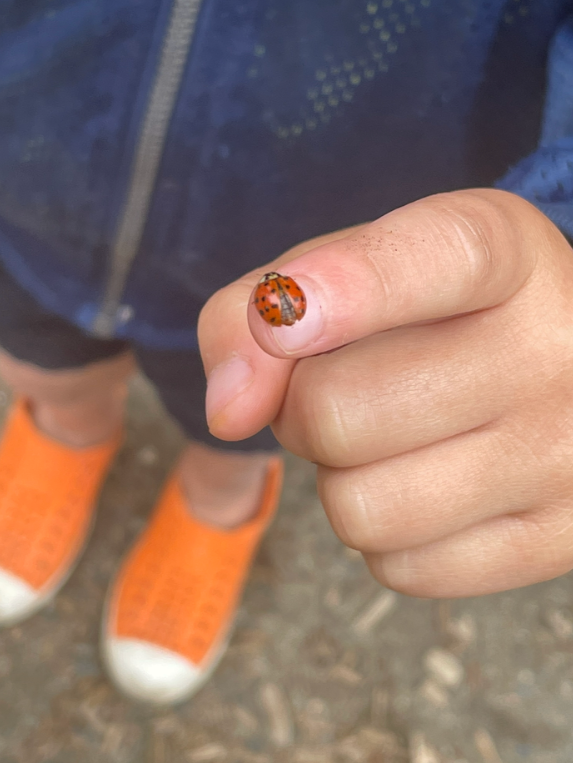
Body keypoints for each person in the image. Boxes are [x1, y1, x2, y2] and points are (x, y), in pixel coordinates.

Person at [0, 0, 571, 706]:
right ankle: (65, 430)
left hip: (321, 212)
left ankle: (219, 503)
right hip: (29, 179)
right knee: (38, 352)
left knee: (246, 406)